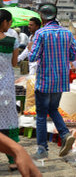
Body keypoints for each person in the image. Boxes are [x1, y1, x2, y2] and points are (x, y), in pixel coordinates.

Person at [29, 3, 76, 160]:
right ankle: (64, 133)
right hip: (61, 80)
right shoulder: (67, 33)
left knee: (42, 114)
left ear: (42, 16)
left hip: (45, 80)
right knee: (53, 109)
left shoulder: (41, 33)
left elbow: (33, 57)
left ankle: (42, 148)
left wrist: (31, 48)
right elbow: (73, 56)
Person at [0, 9, 20, 171]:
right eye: (9, 22)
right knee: (7, 122)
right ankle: (13, 159)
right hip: (5, 87)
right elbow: (14, 63)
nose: (10, 25)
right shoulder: (12, 41)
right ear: (5, 22)